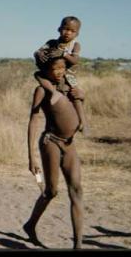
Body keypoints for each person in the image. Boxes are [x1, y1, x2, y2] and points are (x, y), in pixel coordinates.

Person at [23, 57, 85, 249]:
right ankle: (30, 225)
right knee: (51, 191)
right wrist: (31, 156)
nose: (59, 71)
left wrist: (82, 96)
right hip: (51, 142)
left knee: (76, 190)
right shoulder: (41, 90)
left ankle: (78, 245)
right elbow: (33, 121)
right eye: (54, 68)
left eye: (62, 68)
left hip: (70, 144)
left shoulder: (69, 87)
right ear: (46, 70)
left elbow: (76, 110)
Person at [33, 16, 89, 136]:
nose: (68, 33)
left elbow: (74, 60)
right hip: (52, 74)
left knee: (75, 96)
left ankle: (83, 122)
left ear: (77, 33)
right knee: (38, 74)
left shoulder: (75, 45)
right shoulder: (52, 42)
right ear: (59, 29)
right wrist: (39, 54)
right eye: (65, 29)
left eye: (72, 31)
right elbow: (38, 51)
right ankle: (52, 91)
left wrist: (63, 54)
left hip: (68, 76)